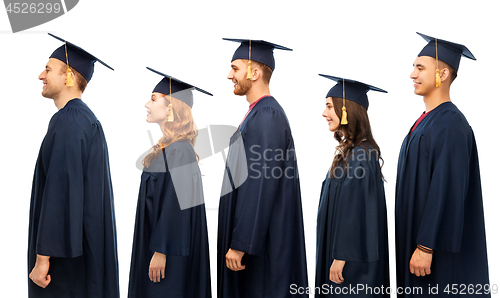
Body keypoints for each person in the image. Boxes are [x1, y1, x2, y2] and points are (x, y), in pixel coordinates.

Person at [395, 32, 490, 297]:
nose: (412, 74)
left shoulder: (450, 123)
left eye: (420, 67)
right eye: (413, 67)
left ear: (443, 74)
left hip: (435, 253)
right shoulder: (425, 121)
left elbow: (446, 188)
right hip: (415, 243)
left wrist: (426, 246)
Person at [28, 33, 119, 298]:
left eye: (47, 69)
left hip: (64, 264)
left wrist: (43, 258)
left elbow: (61, 192)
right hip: (84, 250)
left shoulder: (69, 122)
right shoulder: (84, 119)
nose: (40, 76)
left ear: (68, 76)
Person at [217, 39, 308, 298]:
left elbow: (259, 183)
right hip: (257, 243)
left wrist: (241, 243)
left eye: (235, 69)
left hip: (262, 250)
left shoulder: (267, 115)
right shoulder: (257, 113)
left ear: (254, 73)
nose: (229, 75)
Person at [127, 67, 212, 298]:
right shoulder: (168, 149)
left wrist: (161, 250)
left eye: (153, 99)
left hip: (168, 256)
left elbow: (176, 206)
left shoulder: (180, 151)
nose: (147, 104)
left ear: (171, 107)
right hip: (157, 247)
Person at [315, 75, 390, 297]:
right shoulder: (352, 153)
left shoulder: (362, 155)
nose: (324, 113)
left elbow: (355, 211)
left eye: (329, 106)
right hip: (342, 256)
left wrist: (340, 257)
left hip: (351, 264)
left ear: (345, 110)